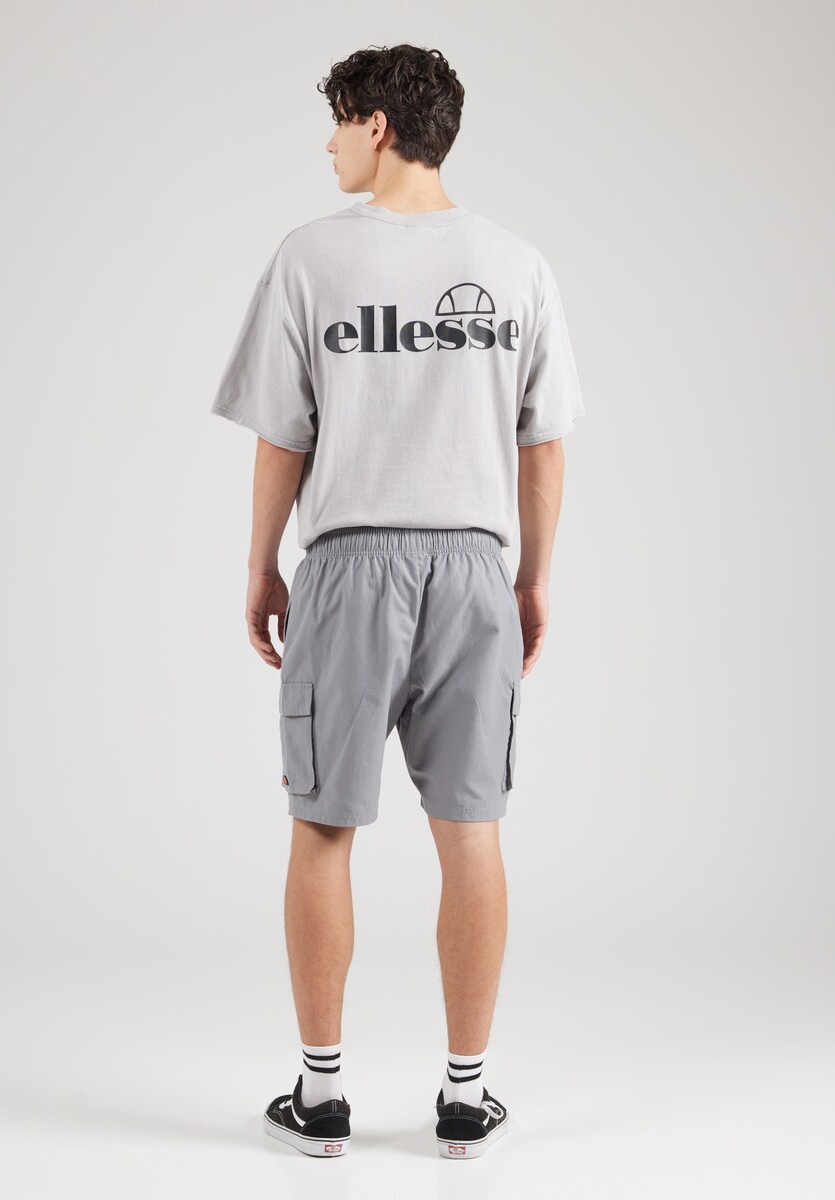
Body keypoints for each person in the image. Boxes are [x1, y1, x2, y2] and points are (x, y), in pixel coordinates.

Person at [210, 43, 585, 1160]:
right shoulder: (516, 264)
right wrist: (530, 577)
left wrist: (260, 565)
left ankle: (322, 1098)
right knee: (471, 832)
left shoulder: (312, 257)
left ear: (376, 125)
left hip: (350, 564)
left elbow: (283, 437)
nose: (328, 144)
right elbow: (545, 444)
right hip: (473, 567)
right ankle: (465, 1104)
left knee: (324, 824)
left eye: (337, 122)